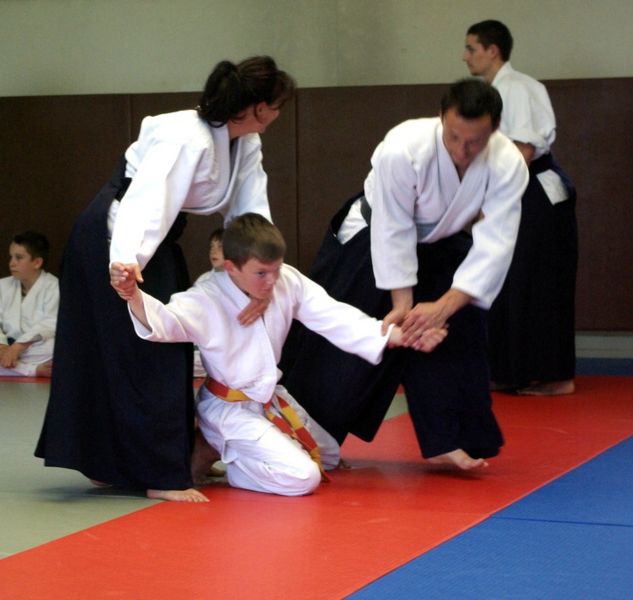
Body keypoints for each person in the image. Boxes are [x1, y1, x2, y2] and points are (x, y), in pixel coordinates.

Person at [35, 56, 295, 502]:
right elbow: (147, 199)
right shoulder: (187, 136)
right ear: (255, 107)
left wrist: (259, 270)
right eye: (275, 105)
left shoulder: (244, 143)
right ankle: (157, 472)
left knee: (154, 350)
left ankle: (127, 463)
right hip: (116, 237)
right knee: (139, 352)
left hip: (154, 240)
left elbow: (249, 211)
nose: (278, 113)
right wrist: (125, 262)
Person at [281, 79, 529, 470]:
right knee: (348, 339)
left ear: (495, 128)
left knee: (459, 329)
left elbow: (495, 243)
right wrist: (404, 306)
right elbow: (392, 227)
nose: (462, 150)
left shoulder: (507, 163)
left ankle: (451, 437)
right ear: (442, 117)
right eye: (454, 137)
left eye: (475, 142)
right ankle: (304, 437)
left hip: (440, 240)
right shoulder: (404, 147)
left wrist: (443, 307)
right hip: (371, 234)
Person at [110, 213, 446, 496]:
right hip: (229, 407)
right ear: (231, 267)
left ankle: (229, 449)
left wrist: (398, 335)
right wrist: (132, 294)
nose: (272, 281)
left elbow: (335, 317)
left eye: (276, 269)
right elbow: (165, 322)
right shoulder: (206, 298)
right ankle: (226, 456)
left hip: (268, 399)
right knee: (303, 477)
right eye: (261, 273)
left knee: (328, 454)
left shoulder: (286, 281)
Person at [464, 20, 578, 395]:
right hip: (530, 190)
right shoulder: (517, 85)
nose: (465, 56)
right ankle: (513, 370)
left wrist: (490, 201)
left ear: (492, 50)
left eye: (471, 48)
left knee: (536, 283)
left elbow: (523, 150)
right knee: (518, 281)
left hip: (529, 191)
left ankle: (551, 375)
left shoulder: (512, 88)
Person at [0, 231, 58, 378]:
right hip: (6, 347)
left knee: (54, 347)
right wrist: (3, 346)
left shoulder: (53, 286)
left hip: (34, 347)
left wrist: (18, 346)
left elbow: (50, 323)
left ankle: (14, 367)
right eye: (11, 257)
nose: (12, 263)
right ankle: (34, 370)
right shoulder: (2, 286)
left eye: (19, 258)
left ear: (37, 262)